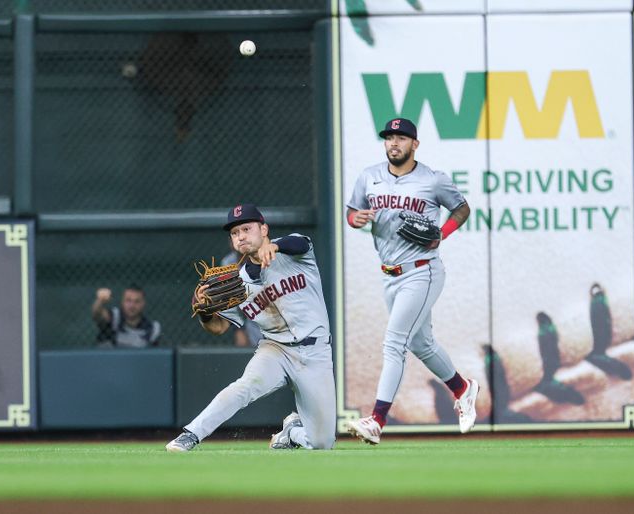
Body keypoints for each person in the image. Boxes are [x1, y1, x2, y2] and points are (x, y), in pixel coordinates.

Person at [345, 117, 479, 444]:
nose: (394, 143)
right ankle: (464, 389)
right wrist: (355, 219)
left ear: (414, 144)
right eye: (389, 138)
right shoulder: (369, 177)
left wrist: (441, 236)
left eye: (401, 138)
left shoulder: (433, 180)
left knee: (394, 341)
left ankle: (377, 419)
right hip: (390, 275)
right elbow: (352, 212)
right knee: (422, 344)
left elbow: (462, 209)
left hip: (423, 270)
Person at [166, 204, 336, 452]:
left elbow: (300, 243)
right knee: (245, 387)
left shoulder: (294, 251)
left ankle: (291, 433)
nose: (241, 236)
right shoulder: (237, 283)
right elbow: (219, 327)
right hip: (275, 349)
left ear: (264, 229)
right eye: (235, 233)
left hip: (316, 352)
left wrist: (275, 245)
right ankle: (191, 434)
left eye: (247, 229)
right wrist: (204, 312)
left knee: (322, 443)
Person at [91, 285, 161, 348]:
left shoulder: (152, 328)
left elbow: (154, 355)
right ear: (122, 302)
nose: (132, 306)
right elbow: (97, 315)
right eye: (128, 300)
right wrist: (100, 301)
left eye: (137, 301)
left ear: (143, 304)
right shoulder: (114, 317)